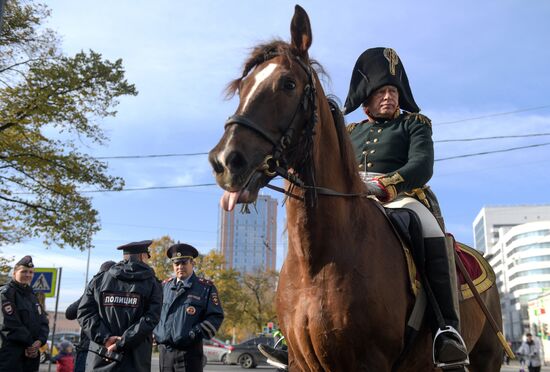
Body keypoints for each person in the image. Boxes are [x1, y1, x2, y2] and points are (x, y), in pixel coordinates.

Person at [259, 47, 468, 369]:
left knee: (426, 227)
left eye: (393, 91)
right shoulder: (350, 131)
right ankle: (292, 333)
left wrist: (387, 185)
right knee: (310, 238)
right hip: (350, 198)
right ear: (365, 99)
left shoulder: (414, 125)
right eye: (381, 91)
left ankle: (446, 329)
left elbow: (422, 166)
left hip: (400, 196)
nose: (388, 97)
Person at [77, 240, 162, 372]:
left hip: (101, 357)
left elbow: (84, 313)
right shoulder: (152, 284)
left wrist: (105, 338)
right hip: (135, 361)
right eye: (147, 257)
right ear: (142, 256)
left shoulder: (99, 280)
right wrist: (122, 342)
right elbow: (151, 319)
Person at [153, 243, 224, 372]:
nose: (180, 267)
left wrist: (193, 334)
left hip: (189, 353)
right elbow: (155, 312)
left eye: (184, 263)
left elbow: (215, 317)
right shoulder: (164, 287)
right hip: (165, 353)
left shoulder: (205, 288)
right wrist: (157, 333)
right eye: (176, 264)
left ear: (192, 263)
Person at [0, 255, 49, 372]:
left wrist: (40, 341)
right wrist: (30, 343)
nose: (28, 275)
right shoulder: (6, 294)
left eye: (31, 272)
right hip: (10, 355)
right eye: (24, 271)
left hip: (31, 356)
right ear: (14, 273)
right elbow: (9, 324)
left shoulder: (32, 296)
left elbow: (43, 322)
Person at [65, 260, 116, 372]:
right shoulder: (117, 294)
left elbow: (70, 313)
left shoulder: (94, 292)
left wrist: (89, 292)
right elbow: (69, 313)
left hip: (91, 349)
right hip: (106, 350)